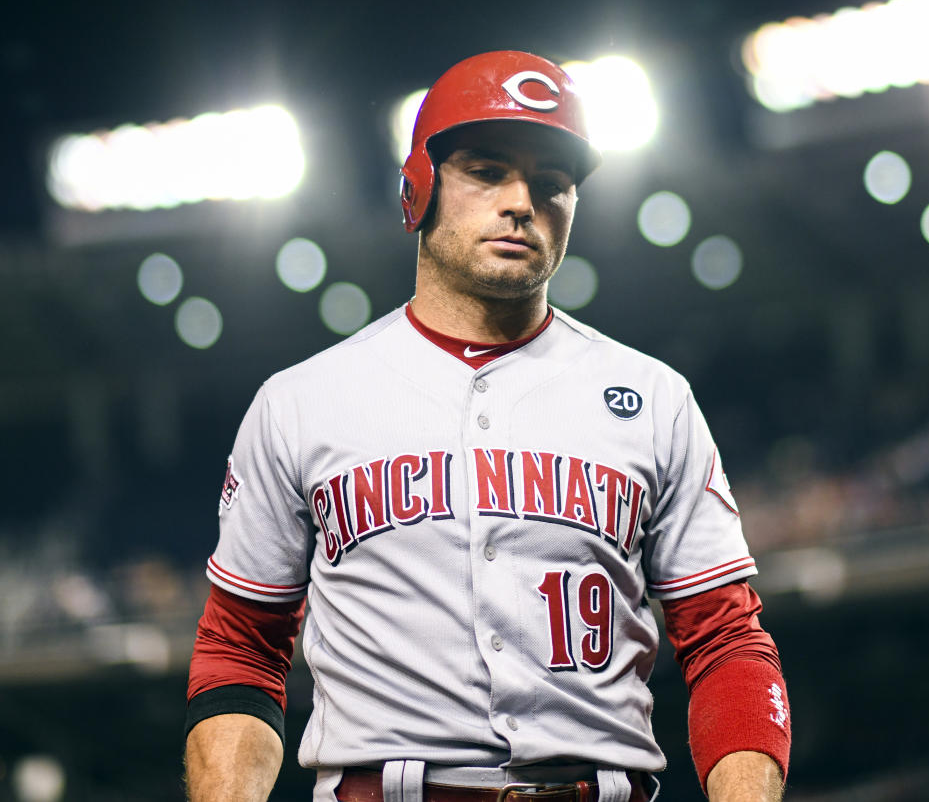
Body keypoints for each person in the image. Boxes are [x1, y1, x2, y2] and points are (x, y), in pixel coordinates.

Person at [184, 50, 790, 802]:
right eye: (488, 170)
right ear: (419, 188)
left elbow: (727, 642)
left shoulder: (653, 396)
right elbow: (241, 646)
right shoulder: (302, 401)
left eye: (552, 184)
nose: (521, 202)